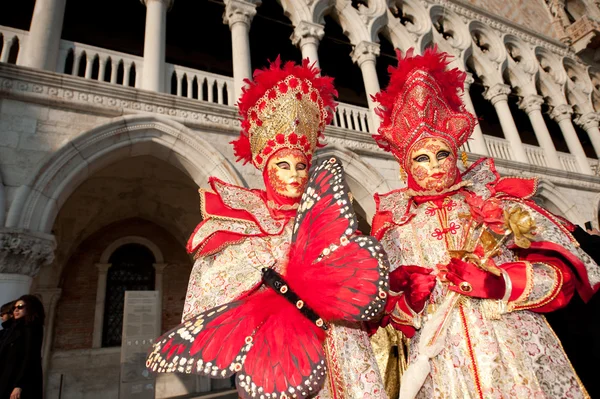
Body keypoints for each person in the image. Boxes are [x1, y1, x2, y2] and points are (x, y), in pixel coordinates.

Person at [369, 47, 599, 398]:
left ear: (457, 154)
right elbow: (388, 320)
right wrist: (408, 302)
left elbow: (562, 275)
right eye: (421, 157)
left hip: (513, 349)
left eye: (442, 154)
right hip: (442, 365)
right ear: (405, 165)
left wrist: (500, 283)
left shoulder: (497, 201)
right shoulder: (397, 226)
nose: (433, 165)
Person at [179, 58, 386, 398]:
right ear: (265, 165)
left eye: (302, 165)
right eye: (283, 165)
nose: (294, 174)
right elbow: (209, 308)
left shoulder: (323, 217)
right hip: (279, 356)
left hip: (344, 349)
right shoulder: (241, 224)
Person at [0, 295, 45, 399]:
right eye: (14, 308)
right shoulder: (12, 330)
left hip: (16, 380)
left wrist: (19, 385)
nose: (16, 310)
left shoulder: (31, 329)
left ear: (30, 307)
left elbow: (30, 357)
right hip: (5, 376)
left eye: (20, 306)